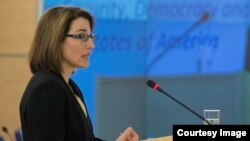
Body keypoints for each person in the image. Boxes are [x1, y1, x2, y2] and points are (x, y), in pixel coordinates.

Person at [19, 6, 139, 141]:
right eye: (82, 36)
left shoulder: (69, 86)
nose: (91, 45)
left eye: (90, 36)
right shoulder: (47, 89)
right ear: (56, 39)